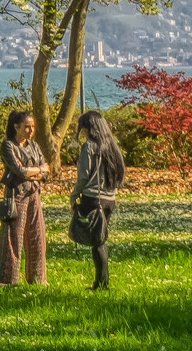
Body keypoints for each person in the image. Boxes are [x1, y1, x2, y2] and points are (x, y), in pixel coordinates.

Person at [71, 109, 126, 291]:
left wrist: (74, 195)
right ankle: (102, 280)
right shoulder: (112, 146)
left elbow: (84, 176)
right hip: (109, 198)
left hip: (93, 197)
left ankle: (102, 283)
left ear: (88, 128)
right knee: (100, 240)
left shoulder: (90, 146)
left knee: (96, 241)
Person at [0, 109, 50, 286]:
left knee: (37, 235)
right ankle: (7, 280)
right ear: (16, 127)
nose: (31, 131)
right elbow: (19, 170)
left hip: (34, 193)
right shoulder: (8, 146)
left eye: (32, 127)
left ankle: (37, 279)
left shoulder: (34, 146)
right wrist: (38, 170)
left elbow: (47, 171)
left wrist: (36, 172)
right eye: (27, 127)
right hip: (16, 195)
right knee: (13, 238)